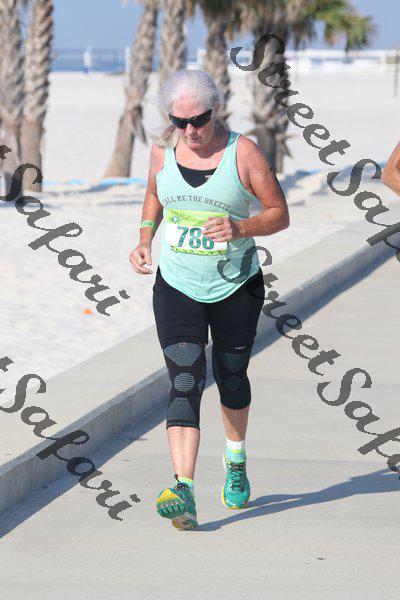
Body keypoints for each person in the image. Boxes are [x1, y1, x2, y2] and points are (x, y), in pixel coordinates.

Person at [129, 69, 290, 530]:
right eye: (179, 121)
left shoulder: (244, 153)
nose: (190, 130)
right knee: (185, 379)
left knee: (231, 375)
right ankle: (183, 488)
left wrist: (240, 227)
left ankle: (235, 458)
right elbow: (154, 194)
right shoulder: (162, 151)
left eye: (198, 119)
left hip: (236, 286)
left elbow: (279, 214)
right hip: (177, 285)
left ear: (215, 110)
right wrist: (145, 238)